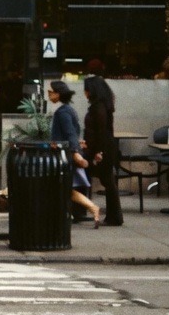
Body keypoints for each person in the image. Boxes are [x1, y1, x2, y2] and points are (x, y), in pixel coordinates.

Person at [47, 80, 101, 228]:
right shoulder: (68, 110)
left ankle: (91, 208)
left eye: (50, 92)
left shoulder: (62, 112)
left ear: (58, 93)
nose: (48, 95)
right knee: (64, 187)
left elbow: (70, 133)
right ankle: (86, 209)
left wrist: (75, 153)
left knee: (63, 187)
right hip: (66, 153)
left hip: (63, 154)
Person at [83, 76, 124, 226]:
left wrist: (98, 151)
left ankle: (114, 216)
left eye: (86, 89)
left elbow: (100, 131)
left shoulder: (98, 108)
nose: (85, 93)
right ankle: (114, 216)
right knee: (108, 181)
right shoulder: (104, 106)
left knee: (107, 181)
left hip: (102, 148)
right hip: (106, 147)